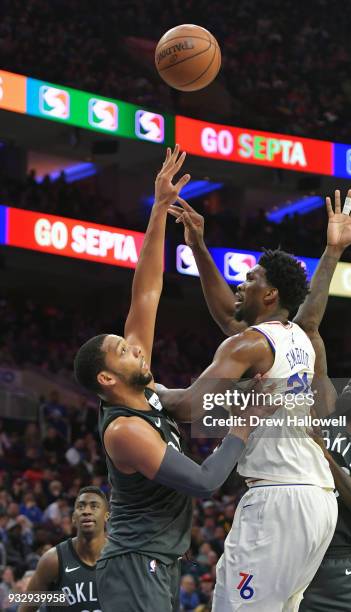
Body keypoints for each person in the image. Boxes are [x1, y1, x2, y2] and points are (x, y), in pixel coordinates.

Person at [73, 146, 265, 612]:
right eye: (123, 350)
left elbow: (148, 290)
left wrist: (158, 208)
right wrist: (242, 424)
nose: (135, 347)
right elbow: (202, 482)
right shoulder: (125, 430)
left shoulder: (141, 388)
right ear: (107, 377)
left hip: (155, 562)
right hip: (136, 565)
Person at [162, 195, 351, 610]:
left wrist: (150, 389)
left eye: (250, 278)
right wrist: (198, 246)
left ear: (270, 293)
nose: (242, 283)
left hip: (278, 501)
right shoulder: (299, 338)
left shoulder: (251, 343)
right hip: (318, 502)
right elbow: (230, 317)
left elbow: (187, 408)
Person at [260, 191, 351, 612]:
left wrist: (327, 458)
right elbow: (307, 324)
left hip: (337, 563)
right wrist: (333, 250)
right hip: (288, 546)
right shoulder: (322, 409)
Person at [19, 486, 109, 612]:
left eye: (94, 506)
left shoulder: (122, 558)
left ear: (106, 516)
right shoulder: (52, 560)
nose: (86, 511)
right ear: (73, 518)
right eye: (81, 506)